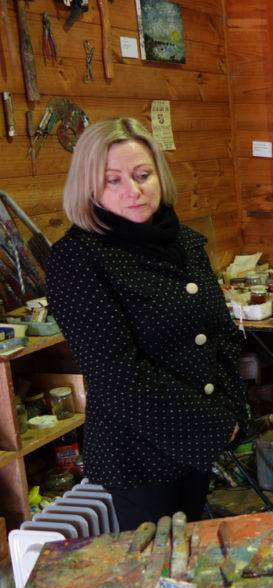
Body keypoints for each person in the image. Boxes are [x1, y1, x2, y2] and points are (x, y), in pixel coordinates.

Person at [47, 117, 247, 529]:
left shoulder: (185, 243)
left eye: (142, 175)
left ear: (160, 174)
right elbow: (113, 371)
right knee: (156, 573)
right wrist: (212, 425)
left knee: (189, 551)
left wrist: (230, 411)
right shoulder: (78, 257)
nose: (133, 191)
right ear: (89, 186)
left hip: (197, 442)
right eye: (113, 180)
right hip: (139, 453)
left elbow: (220, 335)